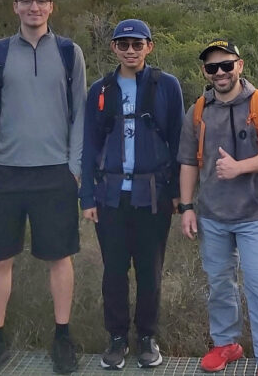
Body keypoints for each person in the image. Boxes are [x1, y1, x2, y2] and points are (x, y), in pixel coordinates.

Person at [0, 0, 86, 376]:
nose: (33, 8)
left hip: (55, 173)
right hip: (4, 174)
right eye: (25, 1)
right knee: (0, 259)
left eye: (41, 1)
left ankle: (62, 338)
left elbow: (80, 114)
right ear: (15, 7)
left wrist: (74, 169)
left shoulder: (70, 53)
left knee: (60, 258)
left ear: (51, 6)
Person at [177, 39, 258, 376]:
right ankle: (227, 344)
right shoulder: (198, 110)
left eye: (227, 65)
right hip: (212, 216)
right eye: (212, 67)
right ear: (205, 72)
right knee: (220, 283)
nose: (220, 72)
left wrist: (240, 167)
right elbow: (187, 162)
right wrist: (186, 207)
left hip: (254, 215)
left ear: (240, 65)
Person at [80, 19, 185, 370]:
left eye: (137, 44)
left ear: (149, 47)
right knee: (113, 271)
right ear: (113, 48)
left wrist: (177, 195)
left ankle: (146, 337)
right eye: (123, 44)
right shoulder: (101, 90)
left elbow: (177, 142)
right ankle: (117, 338)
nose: (130, 50)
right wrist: (87, 197)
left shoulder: (166, 86)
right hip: (110, 195)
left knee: (150, 271)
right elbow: (89, 145)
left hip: (152, 195)